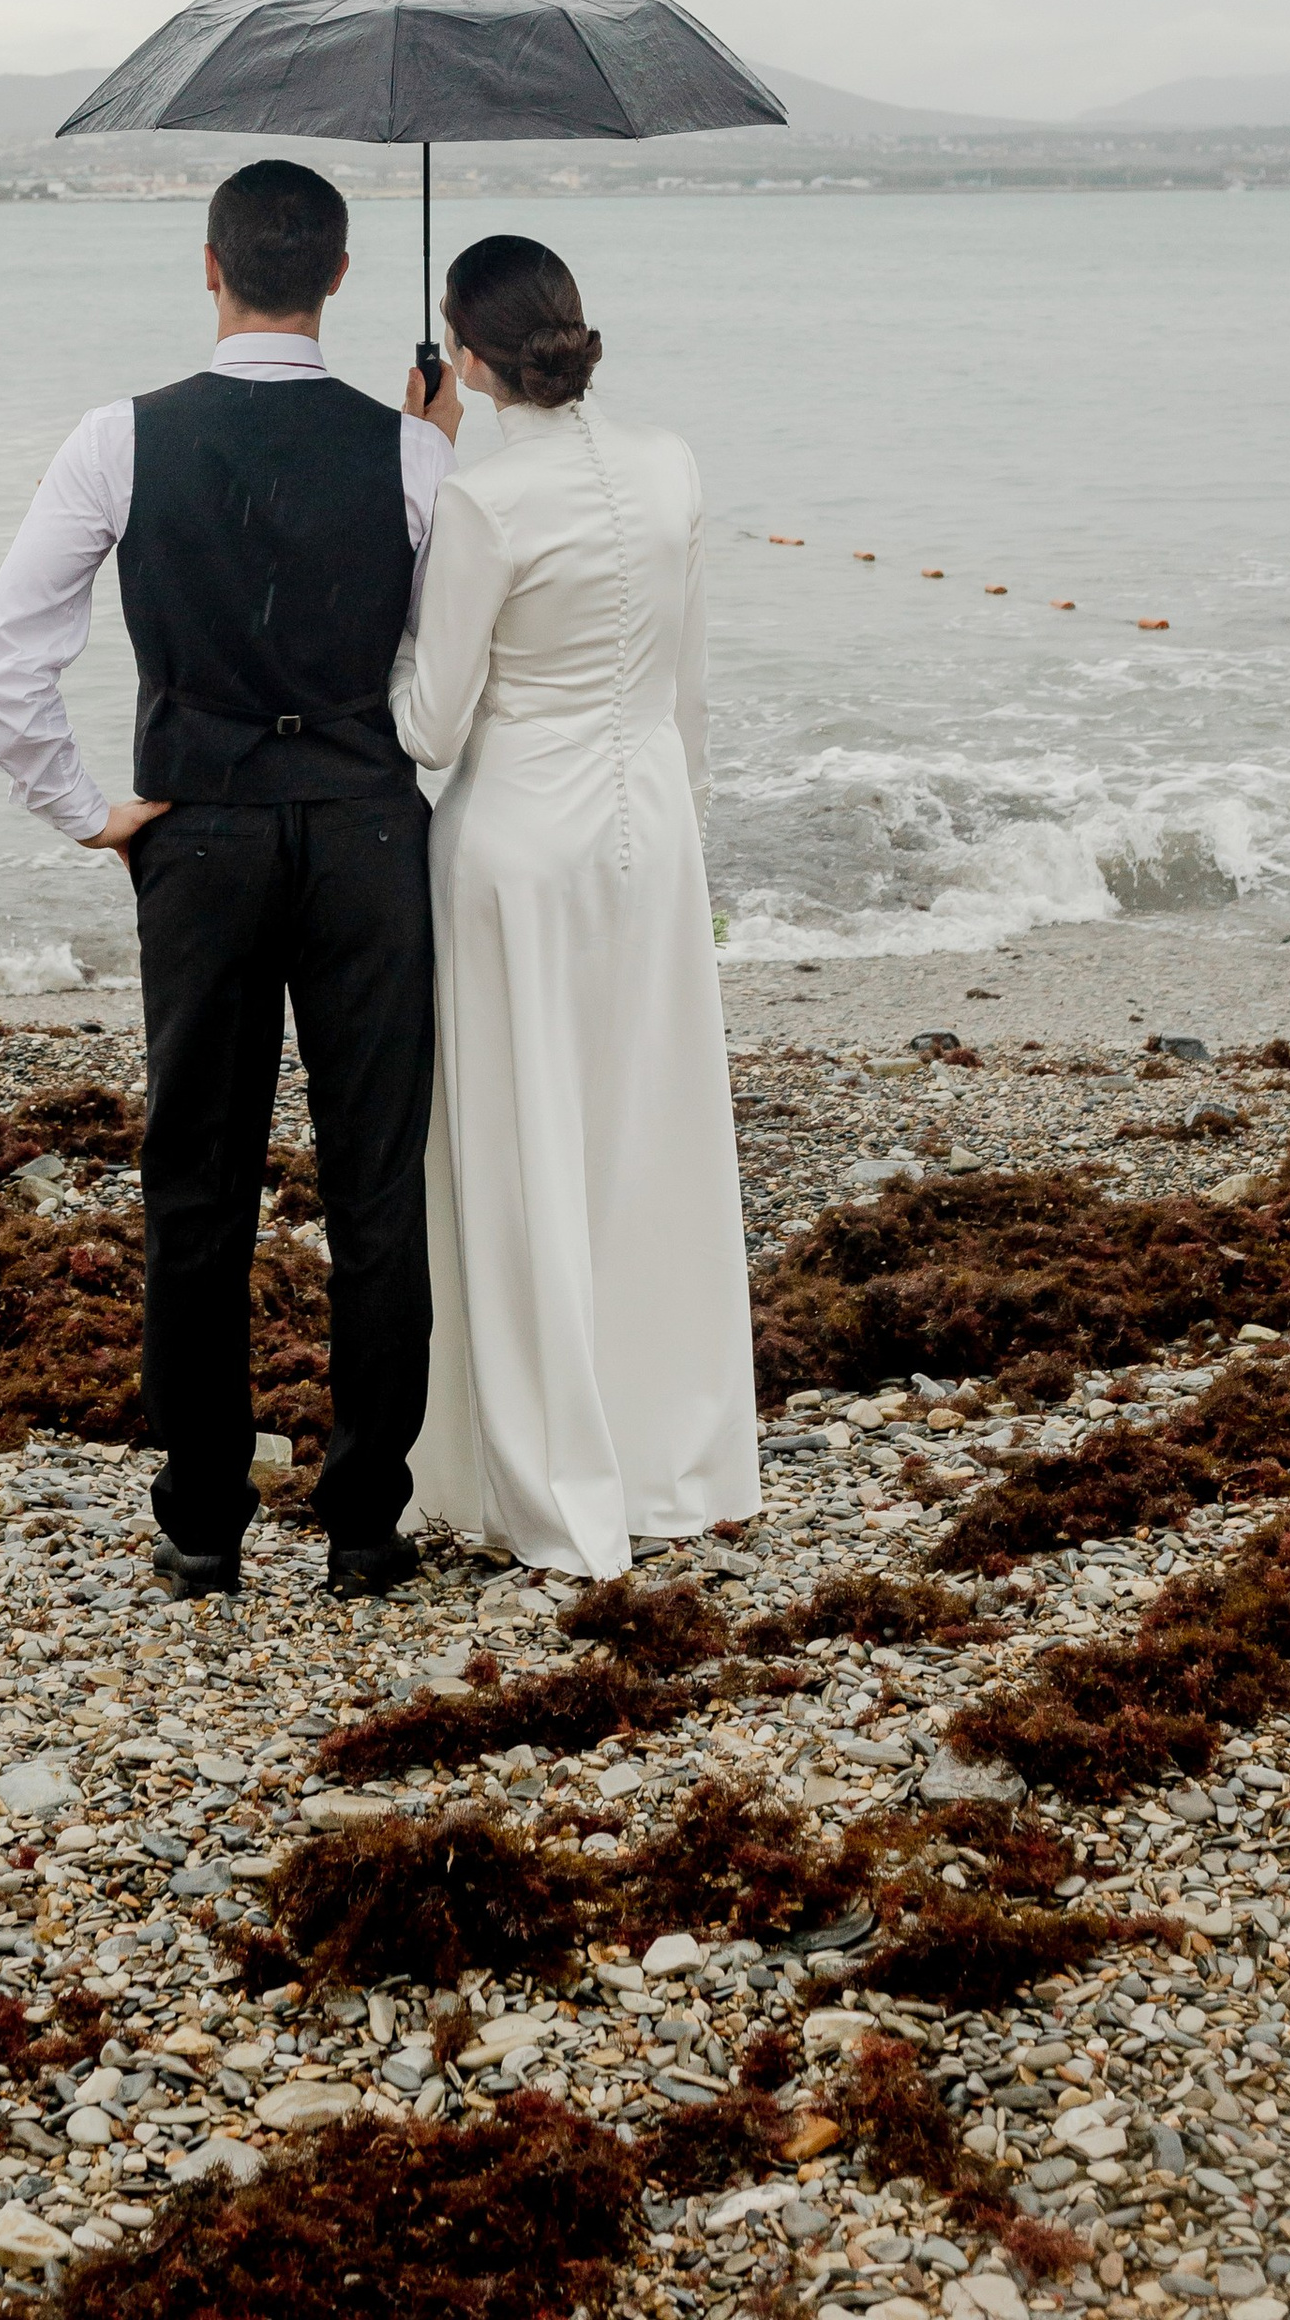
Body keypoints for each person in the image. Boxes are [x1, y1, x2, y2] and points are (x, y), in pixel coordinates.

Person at [0, 159, 459, 1602]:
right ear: (341, 276)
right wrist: (433, 449)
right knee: (377, 1179)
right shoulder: (412, 453)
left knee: (197, 1177)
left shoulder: (118, 438)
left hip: (200, 834)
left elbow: (6, 665)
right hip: (367, 830)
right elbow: (445, 672)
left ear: (209, 264)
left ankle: (200, 1520)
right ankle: (365, 1522)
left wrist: (88, 813)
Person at [392, 231, 759, 1580]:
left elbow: (431, 725)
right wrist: (682, 831)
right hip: (651, 828)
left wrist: (393, 610)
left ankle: (548, 1473)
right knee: (647, 1137)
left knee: (522, 1145)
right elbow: (689, 690)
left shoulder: (483, 500)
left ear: (467, 355)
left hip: (518, 849)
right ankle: (675, 1456)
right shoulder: (672, 466)